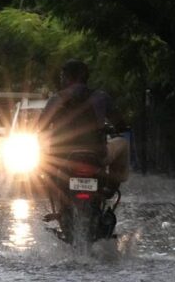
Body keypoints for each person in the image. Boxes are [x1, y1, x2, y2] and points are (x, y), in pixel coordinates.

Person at [38, 59, 130, 187]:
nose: (61, 80)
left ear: (68, 77)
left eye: (62, 77)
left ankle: (51, 184)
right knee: (123, 142)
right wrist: (119, 128)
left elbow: (40, 126)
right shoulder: (101, 97)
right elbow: (120, 123)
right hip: (97, 153)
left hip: (62, 156)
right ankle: (113, 183)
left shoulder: (56, 99)